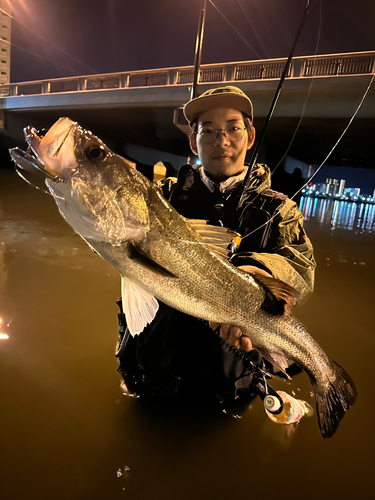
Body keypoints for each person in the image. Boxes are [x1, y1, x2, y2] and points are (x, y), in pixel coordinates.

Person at [116, 86, 316, 407]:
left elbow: (301, 268)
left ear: (250, 137)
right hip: (153, 368)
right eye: (207, 131)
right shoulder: (162, 197)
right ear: (193, 141)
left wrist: (258, 272)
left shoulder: (280, 210)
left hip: (227, 381)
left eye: (233, 129)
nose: (221, 142)